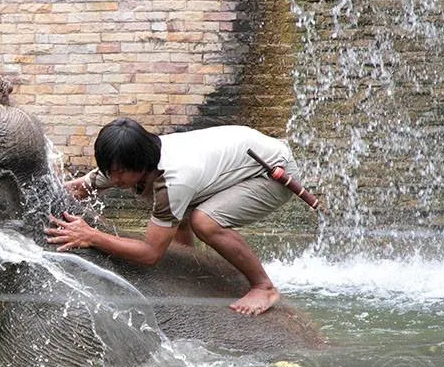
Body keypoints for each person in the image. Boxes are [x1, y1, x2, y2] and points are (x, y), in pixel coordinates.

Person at [45, 117, 301, 315]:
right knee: (179, 216)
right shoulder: (133, 158)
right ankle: (190, 266)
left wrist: (91, 236)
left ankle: (264, 287)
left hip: (270, 171)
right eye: (109, 171)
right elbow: (81, 187)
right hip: (240, 156)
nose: (114, 180)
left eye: (120, 173)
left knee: (204, 222)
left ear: (140, 162)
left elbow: (150, 254)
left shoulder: (173, 180)